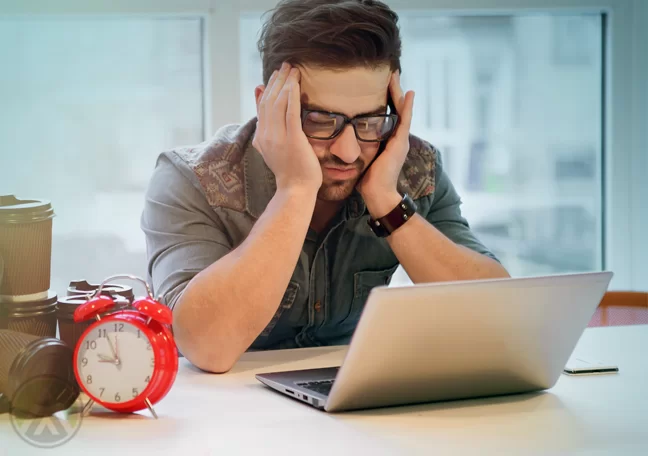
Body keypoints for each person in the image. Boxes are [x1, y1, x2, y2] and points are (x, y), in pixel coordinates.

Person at [140, 0, 510, 374]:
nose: (348, 152)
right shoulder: (192, 179)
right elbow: (205, 345)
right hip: (227, 420)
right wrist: (295, 191)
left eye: (369, 121)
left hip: (354, 412)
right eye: (320, 120)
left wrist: (387, 202)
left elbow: (499, 318)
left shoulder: (413, 169)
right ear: (267, 104)